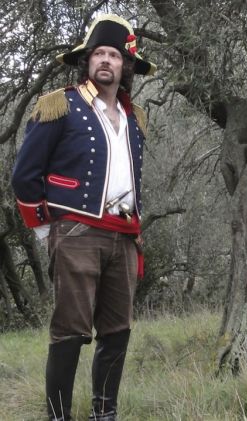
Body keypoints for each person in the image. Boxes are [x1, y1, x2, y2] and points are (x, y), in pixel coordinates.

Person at [11, 14, 156, 421]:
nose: (105, 60)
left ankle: (104, 414)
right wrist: (46, 230)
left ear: (125, 66)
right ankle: (59, 416)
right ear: (87, 60)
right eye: (99, 54)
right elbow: (25, 176)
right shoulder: (59, 104)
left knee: (118, 331)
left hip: (125, 236)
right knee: (71, 331)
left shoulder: (135, 118)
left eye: (113, 54)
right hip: (75, 231)